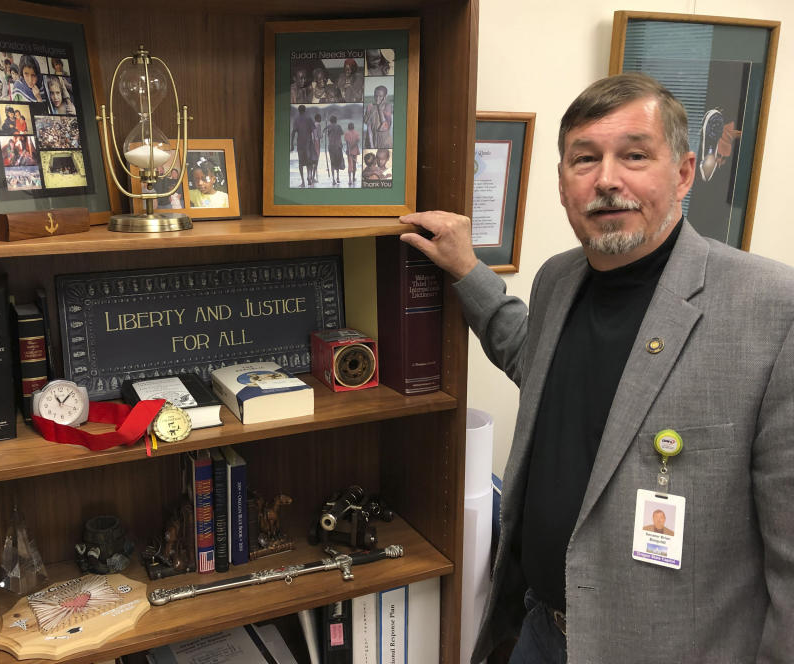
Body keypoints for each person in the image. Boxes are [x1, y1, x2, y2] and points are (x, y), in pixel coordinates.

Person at [400, 72, 794, 663]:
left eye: (634, 155)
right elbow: (532, 360)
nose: (607, 179)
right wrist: (467, 270)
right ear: (562, 186)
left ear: (684, 172)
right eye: (585, 159)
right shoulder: (559, 278)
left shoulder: (769, 309)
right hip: (539, 633)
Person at [290, 105, 317, 187]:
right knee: (310, 162)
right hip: (308, 143)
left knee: (301, 163)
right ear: (305, 110)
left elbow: (293, 132)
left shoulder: (296, 120)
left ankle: (303, 182)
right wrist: (315, 140)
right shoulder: (309, 118)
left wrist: (291, 144)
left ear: (298, 111)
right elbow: (314, 131)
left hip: (300, 144)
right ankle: (309, 176)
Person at [324, 115, 345, 187]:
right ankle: (338, 177)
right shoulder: (338, 126)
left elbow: (324, 132)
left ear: (330, 121)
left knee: (332, 162)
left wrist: (327, 128)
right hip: (338, 146)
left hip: (331, 147)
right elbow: (342, 134)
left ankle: (333, 179)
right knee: (338, 161)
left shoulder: (328, 127)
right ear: (336, 120)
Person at [343, 121, 360, 187]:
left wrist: (348, 149)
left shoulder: (347, 133)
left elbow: (347, 143)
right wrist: (353, 146)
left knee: (350, 165)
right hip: (355, 151)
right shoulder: (356, 133)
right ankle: (353, 178)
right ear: (353, 127)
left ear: (348, 127)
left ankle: (350, 180)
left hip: (350, 151)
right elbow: (358, 141)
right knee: (354, 164)